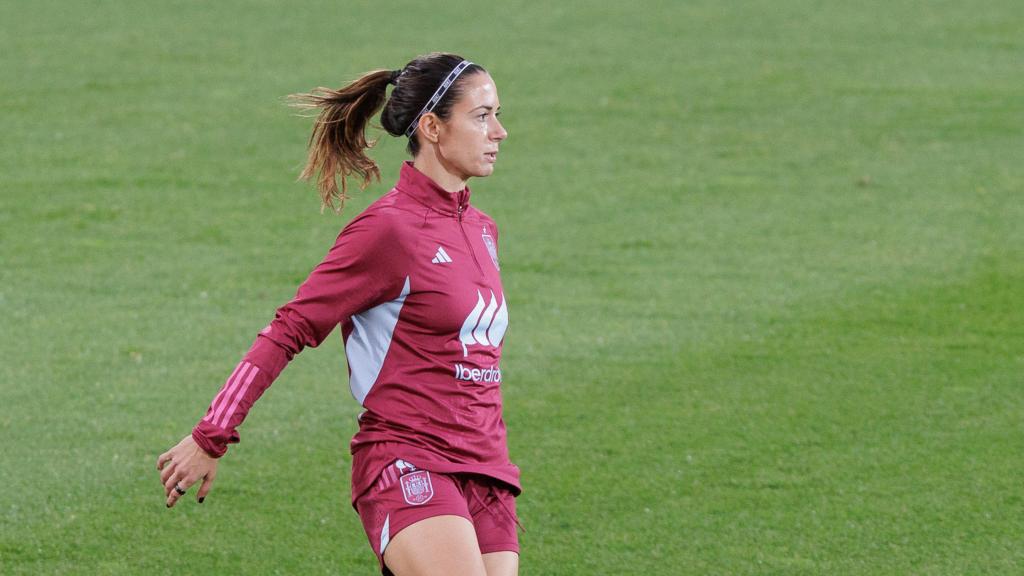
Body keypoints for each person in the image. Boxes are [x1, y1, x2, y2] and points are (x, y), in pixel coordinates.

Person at [156, 52, 519, 576]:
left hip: (486, 467)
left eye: (497, 114)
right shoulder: (389, 232)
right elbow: (290, 328)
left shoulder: (483, 230)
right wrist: (211, 435)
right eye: (482, 116)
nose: (500, 132)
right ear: (433, 127)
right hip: (409, 456)